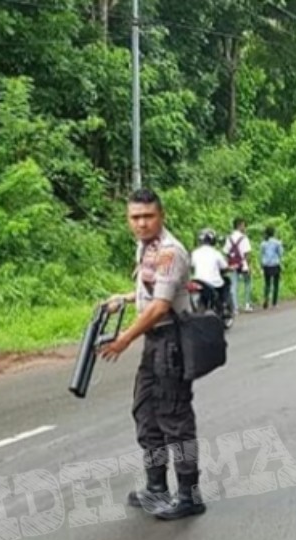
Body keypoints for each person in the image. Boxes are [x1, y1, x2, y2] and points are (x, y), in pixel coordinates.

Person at [99, 189, 206, 521]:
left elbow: (161, 306)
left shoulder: (170, 252)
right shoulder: (146, 247)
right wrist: (125, 298)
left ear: (161, 216)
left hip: (171, 340)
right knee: (146, 412)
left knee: (175, 418)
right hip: (155, 343)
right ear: (128, 219)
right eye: (135, 217)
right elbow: (151, 291)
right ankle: (156, 486)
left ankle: (189, 494)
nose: (142, 223)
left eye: (148, 216)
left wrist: (124, 339)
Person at [191, 228, 229, 314]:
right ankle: (223, 305)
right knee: (225, 284)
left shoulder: (195, 253)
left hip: (197, 280)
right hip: (212, 282)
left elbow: (191, 266)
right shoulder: (216, 253)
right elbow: (225, 267)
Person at [226, 217, 253, 313]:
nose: (245, 227)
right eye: (244, 225)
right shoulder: (244, 238)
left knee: (233, 285)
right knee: (248, 283)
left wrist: (228, 264)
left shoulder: (229, 238)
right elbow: (247, 253)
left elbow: (226, 252)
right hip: (243, 264)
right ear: (239, 225)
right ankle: (247, 304)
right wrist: (249, 265)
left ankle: (235, 307)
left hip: (233, 264)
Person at [260, 225, 285, 309]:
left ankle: (266, 298)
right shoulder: (277, 242)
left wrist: (261, 265)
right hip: (275, 264)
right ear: (274, 233)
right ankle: (274, 303)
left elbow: (262, 254)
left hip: (266, 265)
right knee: (276, 284)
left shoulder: (263, 243)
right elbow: (281, 254)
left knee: (267, 284)